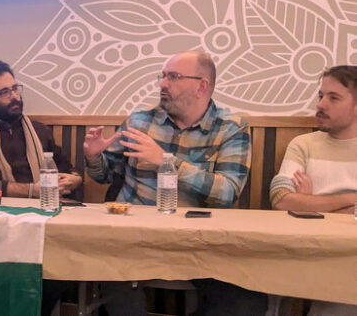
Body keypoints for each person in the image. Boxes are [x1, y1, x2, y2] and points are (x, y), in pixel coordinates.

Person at [83, 51, 263, 315]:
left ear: (202, 85)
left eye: (174, 77)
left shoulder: (231, 128)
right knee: (116, 292)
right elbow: (104, 175)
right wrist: (94, 156)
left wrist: (166, 162)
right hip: (134, 237)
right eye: (163, 76)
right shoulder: (140, 122)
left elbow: (227, 192)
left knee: (245, 302)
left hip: (200, 240)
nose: (163, 84)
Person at [0, 60, 82, 315]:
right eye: (4, 92)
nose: (14, 96)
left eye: (15, 89)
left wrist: (75, 179)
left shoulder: (39, 130)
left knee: (58, 272)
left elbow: (66, 169)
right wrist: (32, 191)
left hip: (45, 223)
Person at [269, 65, 357, 315]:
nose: (321, 104)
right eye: (321, 96)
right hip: (305, 251)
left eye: (334, 98)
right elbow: (282, 201)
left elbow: (297, 205)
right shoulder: (303, 144)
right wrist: (350, 200)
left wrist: (311, 202)